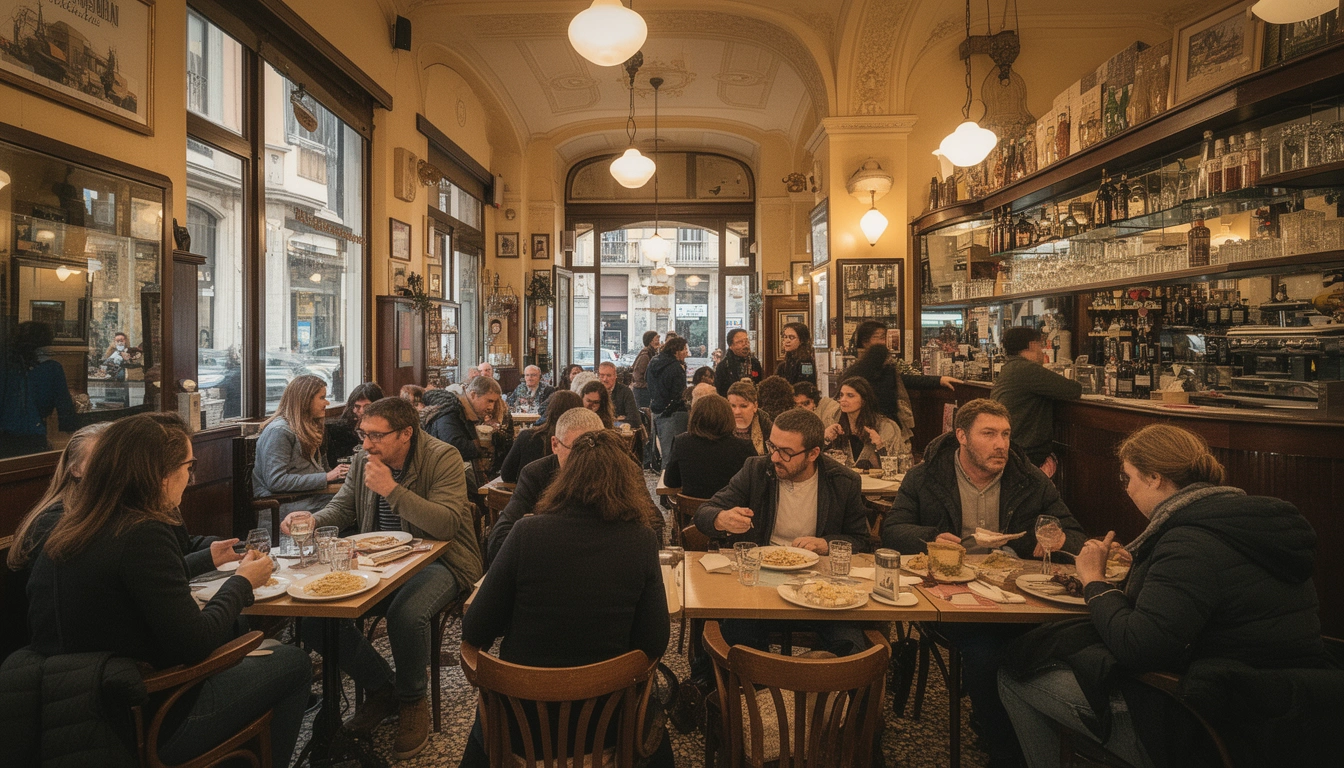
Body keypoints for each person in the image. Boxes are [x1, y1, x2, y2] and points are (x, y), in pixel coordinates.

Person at [999, 425, 1337, 768]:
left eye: (1127, 478)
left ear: (1155, 478)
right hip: (1291, 708)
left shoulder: (1188, 543)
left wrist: (1094, 582)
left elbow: (1139, 648)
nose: (1126, 489)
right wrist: (1142, 569)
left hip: (1213, 723)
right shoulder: (1248, 523)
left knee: (1014, 674)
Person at [16, 414, 310, 767]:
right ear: (161, 474)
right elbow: (195, 643)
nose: (192, 477)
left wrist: (207, 560)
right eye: (190, 466)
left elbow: (130, 586)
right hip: (146, 718)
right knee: (293, 663)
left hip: (68, 710)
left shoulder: (73, 523)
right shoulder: (143, 531)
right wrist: (243, 582)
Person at [882, 398, 1086, 766]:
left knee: (1054, 643)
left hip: (1017, 593)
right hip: (949, 594)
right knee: (986, 651)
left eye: (1006, 434)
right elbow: (892, 528)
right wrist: (930, 538)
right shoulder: (926, 476)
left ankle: (1028, 734)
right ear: (961, 436)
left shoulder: (1029, 479)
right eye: (989, 434)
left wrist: (1054, 538)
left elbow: (1072, 533)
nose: (1001, 444)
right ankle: (1006, 750)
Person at [283, 397, 482, 760]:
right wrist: (313, 522)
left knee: (406, 614)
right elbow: (343, 508)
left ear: (406, 433)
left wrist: (392, 489)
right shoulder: (363, 460)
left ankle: (411, 700)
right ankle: (382, 687)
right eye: (363, 433)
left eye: (376, 435)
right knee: (314, 616)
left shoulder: (443, 457)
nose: (366, 443)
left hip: (441, 561)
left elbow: (447, 525)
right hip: (380, 562)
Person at [460, 429, 672, 768]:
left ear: (565, 478)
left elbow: (475, 628)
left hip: (522, 727)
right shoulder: (642, 541)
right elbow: (655, 640)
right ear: (627, 483)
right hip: (608, 726)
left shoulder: (527, 533)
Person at [694, 408, 871, 656]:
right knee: (737, 639)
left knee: (852, 646)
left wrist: (825, 544)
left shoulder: (843, 480)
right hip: (760, 583)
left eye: (786, 452)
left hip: (818, 584)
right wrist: (721, 519)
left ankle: (830, 691)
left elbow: (861, 540)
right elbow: (704, 513)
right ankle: (749, 690)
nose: (775, 457)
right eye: (772, 446)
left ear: (813, 453)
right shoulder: (756, 469)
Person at [486, 406, 606, 565]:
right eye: (576, 450)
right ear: (555, 445)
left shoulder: (623, 470)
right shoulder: (535, 474)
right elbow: (498, 542)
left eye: (595, 449)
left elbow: (649, 528)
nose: (584, 460)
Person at [842, 320, 959, 452]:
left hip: (888, 425)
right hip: (869, 426)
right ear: (865, 341)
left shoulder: (883, 367)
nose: (884, 342)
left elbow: (904, 379)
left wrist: (939, 380)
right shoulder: (859, 373)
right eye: (879, 337)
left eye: (884, 337)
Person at [991, 325, 1082, 477]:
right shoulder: (1027, 369)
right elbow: (1073, 389)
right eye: (1040, 345)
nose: (1042, 350)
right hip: (1025, 454)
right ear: (1032, 345)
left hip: (1010, 449)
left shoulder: (1010, 367)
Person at [254, 374, 348, 516]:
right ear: (305, 401)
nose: (327, 403)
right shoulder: (279, 431)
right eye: (322, 398)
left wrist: (345, 474)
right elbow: (276, 481)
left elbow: (324, 471)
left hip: (313, 500)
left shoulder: (310, 427)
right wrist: (326, 477)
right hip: (288, 507)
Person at [0, 321, 78, 458]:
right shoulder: (52, 368)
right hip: (34, 432)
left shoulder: (7, 366)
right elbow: (64, 407)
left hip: (5, 433)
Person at [663, 394, 756, 500]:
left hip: (693, 514)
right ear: (728, 417)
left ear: (695, 417)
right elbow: (756, 485)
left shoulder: (681, 443)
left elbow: (670, 482)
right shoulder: (744, 447)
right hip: (733, 512)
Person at [499, 390, 583, 484]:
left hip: (529, 495)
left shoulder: (527, 436)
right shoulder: (582, 442)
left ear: (549, 410)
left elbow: (507, 475)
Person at [823, 377, 901, 470]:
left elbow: (895, 467)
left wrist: (880, 446)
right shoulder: (832, 420)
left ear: (863, 400)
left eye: (850, 395)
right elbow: (818, 460)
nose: (843, 399)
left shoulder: (885, 426)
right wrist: (825, 439)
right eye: (841, 395)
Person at [648, 336, 689, 468]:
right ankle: (669, 484)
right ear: (676, 351)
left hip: (657, 410)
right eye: (684, 349)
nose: (687, 353)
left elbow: (647, 382)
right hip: (673, 413)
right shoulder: (676, 367)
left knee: (665, 452)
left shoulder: (653, 362)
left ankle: (664, 483)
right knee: (674, 453)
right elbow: (679, 394)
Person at [325, 382, 385, 466]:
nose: (362, 411)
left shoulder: (386, 430)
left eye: (367, 407)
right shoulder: (338, 432)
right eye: (357, 407)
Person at [727, 381, 773, 455]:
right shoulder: (720, 426)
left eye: (743, 406)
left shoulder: (766, 426)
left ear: (755, 406)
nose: (737, 412)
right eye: (733, 406)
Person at [714, 328, 764, 396]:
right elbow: (720, 391)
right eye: (740, 342)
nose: (745, 344)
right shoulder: (723, 366)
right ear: (731, 346)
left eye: (746, 341)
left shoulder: (755, 363)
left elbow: (761, 385)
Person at [597, 361, 641, 426]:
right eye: (602, 375)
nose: (604, 379)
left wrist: (614, 423)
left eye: (608, 375)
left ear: (615, 376)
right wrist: (617, 419)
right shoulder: (595, 391)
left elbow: (635, 420)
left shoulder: (625, 392)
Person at [630, 330, 660, 409]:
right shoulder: (645, 355)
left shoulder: (651, 354)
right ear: (651, 341)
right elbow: (638, 374)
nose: (659, 342)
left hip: (645, 389)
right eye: (657, 339)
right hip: (642, 391)